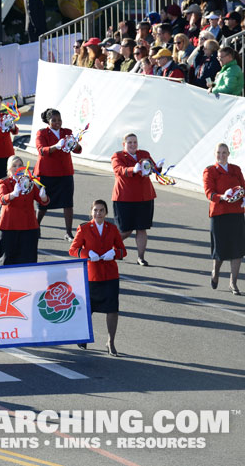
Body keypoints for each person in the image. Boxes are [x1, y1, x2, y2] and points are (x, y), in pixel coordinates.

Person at [69, 200, 127, 357]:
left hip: (110, 274)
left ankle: (111, 342)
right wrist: (87, 254)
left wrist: (114, 253)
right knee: (88, 308)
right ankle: (83, 335)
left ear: (106, 213)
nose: (98, 213)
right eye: (95, 210)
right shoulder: (84, 228)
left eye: (101, 210)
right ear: (91, 212)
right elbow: (73, 249)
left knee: (112, 310)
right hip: (91, 275)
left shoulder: (112, 228)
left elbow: (123, 251)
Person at [203, 143, 245, 295]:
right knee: (221, 251)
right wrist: (222, 196)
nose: (221, 155)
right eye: (218, 152)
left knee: (238, 250)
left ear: (229, 153)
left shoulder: (236, 169)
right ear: (215, 154)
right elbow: (209, 193)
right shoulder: (210, 171)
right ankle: (215, 272)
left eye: (224, 152)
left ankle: (233, 283)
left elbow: (243, 187)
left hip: (236, 213)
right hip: (219, 214)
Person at [111, 133, 158, 267]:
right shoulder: (117, 156)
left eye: (135, 142)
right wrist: (133, 169)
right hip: (125, 197)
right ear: (124, 144)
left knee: (142, 228)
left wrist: (158, 168)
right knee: (125, 230)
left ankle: (141, 257)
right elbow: (118, 170)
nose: (133, 145)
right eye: (130, 142)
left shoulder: (144, 154)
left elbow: (152, 168)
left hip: (144, 197)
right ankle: (108, 246)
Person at [34, 108, 81, 239]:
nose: (57, 122)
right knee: (43, 204)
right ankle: (36, 226)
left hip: (65, 173)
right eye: (53, 120)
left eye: (59, 120)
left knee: (68, 203)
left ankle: (68, 232)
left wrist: (75, 145)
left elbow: (78, 149)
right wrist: (56, 146)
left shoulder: (67, 132)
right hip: (46, 173)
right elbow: (41, 150)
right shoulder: (42, 133)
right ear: (48, 122)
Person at [0, 156, 49, 265]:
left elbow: (43, 201)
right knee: (7, 260)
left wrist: (43, 196)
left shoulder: (29, 181)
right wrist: (12, 195)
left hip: (28, 226)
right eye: (14, 166)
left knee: (29, 260)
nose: (17, 168)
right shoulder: (4, 182)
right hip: (10, 226)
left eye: (20, 165)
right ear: (8, 169)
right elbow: (2, 199)